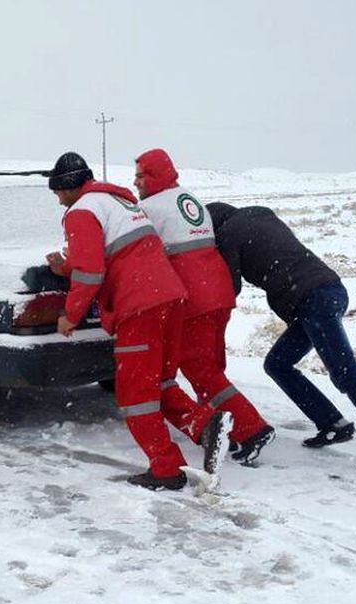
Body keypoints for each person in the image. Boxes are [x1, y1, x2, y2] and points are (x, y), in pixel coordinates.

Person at [45, 151, 224, 491]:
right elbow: (113, 255)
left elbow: (90, 272)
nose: (57, 200)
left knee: (134, 394)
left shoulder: (81, 211)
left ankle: (167, 469)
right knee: (158, 382)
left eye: (57, 192)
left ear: (68, 187)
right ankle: (204, 425)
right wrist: (64, 267)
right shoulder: (118, 202)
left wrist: (71, 316)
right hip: (170, 297)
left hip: (138, 306)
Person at [206, 202, 356, 473]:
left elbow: (230, 287)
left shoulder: (228, 234)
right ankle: (333, 424)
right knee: (278, 364)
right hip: (329, 290)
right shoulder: (260, 214)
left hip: (312, 300)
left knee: (346, 374)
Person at [134, 148, 274, 465]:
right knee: (212, 366)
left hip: (194, 297)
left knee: (200, 369)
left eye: (141, 175)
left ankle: (251, 429)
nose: (136, 181)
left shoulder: (150, 207)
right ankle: (225, 427)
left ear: (154, 175)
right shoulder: (187, 198)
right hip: (218, 290)